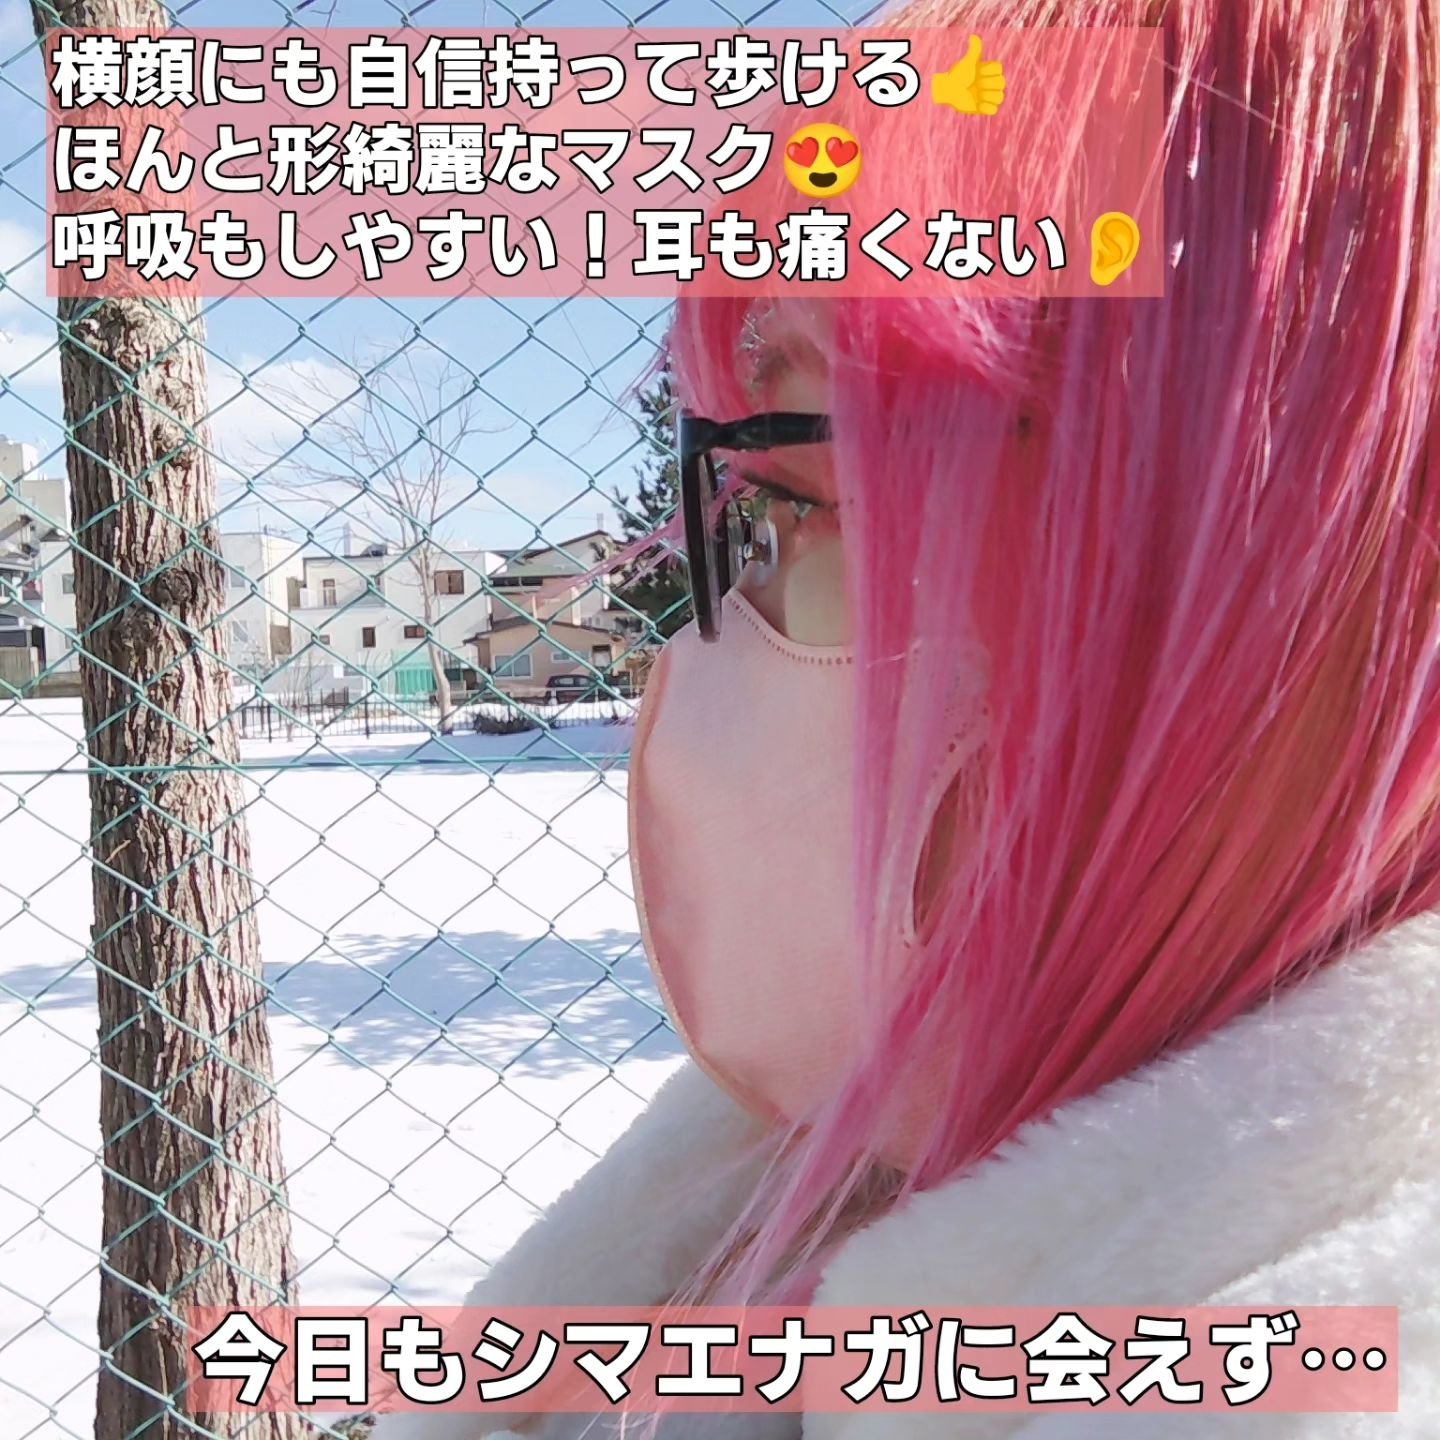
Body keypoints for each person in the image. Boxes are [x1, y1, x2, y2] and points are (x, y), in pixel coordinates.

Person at [375, 0, 1440, 1433]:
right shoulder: (786, 1182)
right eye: (749, 519)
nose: (721, 637)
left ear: (1306, 563)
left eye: (797, 494)